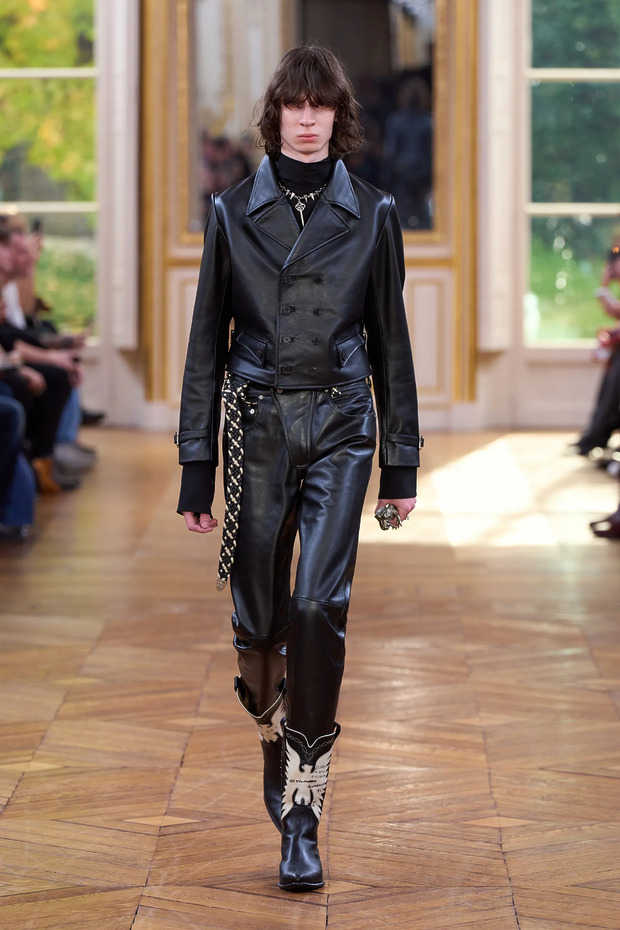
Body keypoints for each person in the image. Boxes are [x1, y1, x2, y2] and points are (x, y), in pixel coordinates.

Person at [176, 46, 422, 892]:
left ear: (338, 116)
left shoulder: (374, 212)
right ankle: (270, 738)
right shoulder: (231, 211)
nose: (309, 119)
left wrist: (400, 465)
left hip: (343, 423)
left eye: (323, 106)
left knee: (319, 605)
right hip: (255, 428)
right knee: (259, 623)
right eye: (295, 105)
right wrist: (195, 464)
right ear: (276, 115)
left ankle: (304, 811)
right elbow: (205, 343)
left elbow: (391, 342)